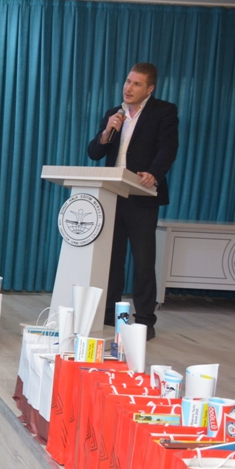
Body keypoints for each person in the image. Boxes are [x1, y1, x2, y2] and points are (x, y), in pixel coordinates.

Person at [87, 63, 179, 338]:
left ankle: (145, 321)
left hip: (141, 196)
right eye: (128, 81)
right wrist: (106, 132)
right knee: (112, 261)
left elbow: (168, 148)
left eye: (136, 84)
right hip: (112, 195)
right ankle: (110, 316)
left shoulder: (164, 111)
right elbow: (94, 153)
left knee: (143, 262)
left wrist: (154, 173)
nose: (128, 88)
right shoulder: (113, 113)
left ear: (149, 89)